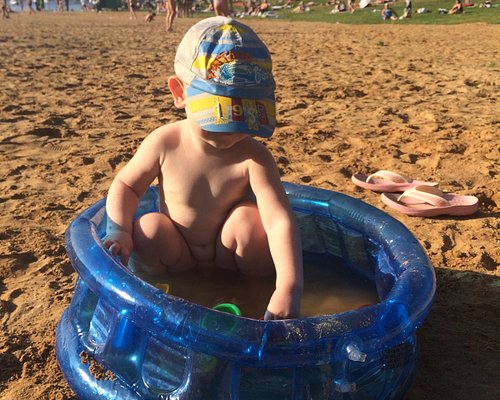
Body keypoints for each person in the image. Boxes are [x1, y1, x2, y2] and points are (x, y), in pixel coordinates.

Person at [104, 17, 303, 320]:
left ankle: (253, 294)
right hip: (178, 256)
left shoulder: (254, 156)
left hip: (232, 258)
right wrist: (119, 230)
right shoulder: (165, 142)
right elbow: (127, 186)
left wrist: (288, 286)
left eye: (244, 119)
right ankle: (171, 293)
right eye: (219, 117)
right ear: (179, 92)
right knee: (148, 229)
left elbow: (279, 221)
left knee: (250, 221)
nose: (232, 132)